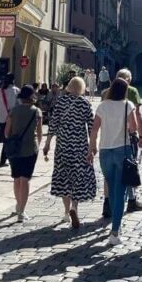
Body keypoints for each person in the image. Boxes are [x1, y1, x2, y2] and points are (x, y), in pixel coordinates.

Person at [44, 76, 96, 228]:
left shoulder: (60, 102)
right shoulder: (85, 103)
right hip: (79, 147)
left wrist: (47, 144)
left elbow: (53, 124)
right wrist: (92, 147)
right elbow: (91, 127)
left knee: (64, 178)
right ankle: (75, 207)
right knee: (78, 178)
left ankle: (66, 213)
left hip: (63, 146)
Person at [90, 78, 137, 245]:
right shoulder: (127, 105)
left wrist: (92, 147)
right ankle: (115, 231)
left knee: (111, 188)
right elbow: (133, 128)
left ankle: (115, 223)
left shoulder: (103, 105)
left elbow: (94, 129)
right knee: (121, 191)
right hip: (122, 150)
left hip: (105, 152)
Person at [100, 69, 142, 215]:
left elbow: (101, 117)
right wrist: (141, 136)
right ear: (128, 80)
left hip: (106, 140)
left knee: (108, 175)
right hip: (125, 139)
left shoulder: (105, 92)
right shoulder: (132, 91)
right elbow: (137, 115)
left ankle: (107, 204)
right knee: (129, 168)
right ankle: (131, 201)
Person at [4, 85, 43, 222]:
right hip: (29, 148)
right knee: (25, 179)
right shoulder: (36, 111)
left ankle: (17, 204)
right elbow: (39, 133)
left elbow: (6, 132)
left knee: (16, 178)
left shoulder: (13, 111)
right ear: (32, 96)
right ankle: (22, 210)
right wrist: (38, 145)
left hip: (14, 149)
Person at [0, 74, 20, 167]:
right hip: (12, 119)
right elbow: (20, 105)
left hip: (1, 119)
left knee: (6, 139)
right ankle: (5, 159)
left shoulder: (0, 91)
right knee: (9, 140)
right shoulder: (16, 91)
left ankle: (5, 159)